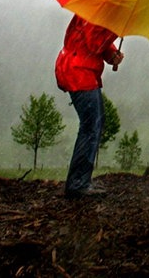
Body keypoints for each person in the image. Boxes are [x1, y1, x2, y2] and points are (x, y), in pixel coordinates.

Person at [55, 14, 124, 198]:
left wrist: (112, 55)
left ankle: (79, 181)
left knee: (93, 124)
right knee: (91, 127)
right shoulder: (99, 11)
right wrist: (117, 27)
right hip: (79, 71)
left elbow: (95, 42)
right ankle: (77, 183)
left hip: (80, 69)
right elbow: (94, 41)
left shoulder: (96, 9)